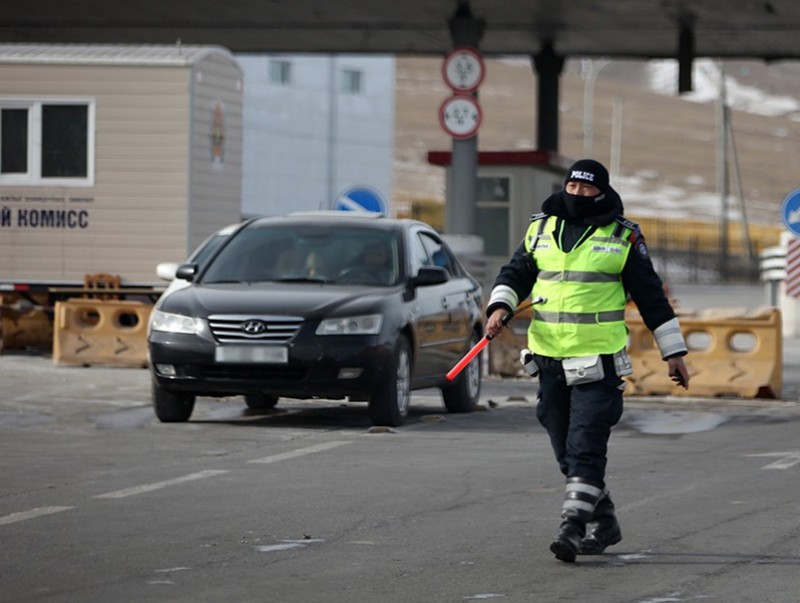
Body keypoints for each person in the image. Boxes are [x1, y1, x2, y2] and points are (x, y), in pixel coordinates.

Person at [485, 158, 690, 563]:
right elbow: (516, 272)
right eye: (572, 187)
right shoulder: (541, 227)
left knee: (585, 445)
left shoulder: (623, 236)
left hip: (599, 361)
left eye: (586, 189)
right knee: (563, 443)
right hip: (547, 358)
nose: (577, 194)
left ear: (602, 191)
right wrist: (498, 307)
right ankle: (606, 519)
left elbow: (651, 297)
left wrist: (675, 353)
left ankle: (573, 526)